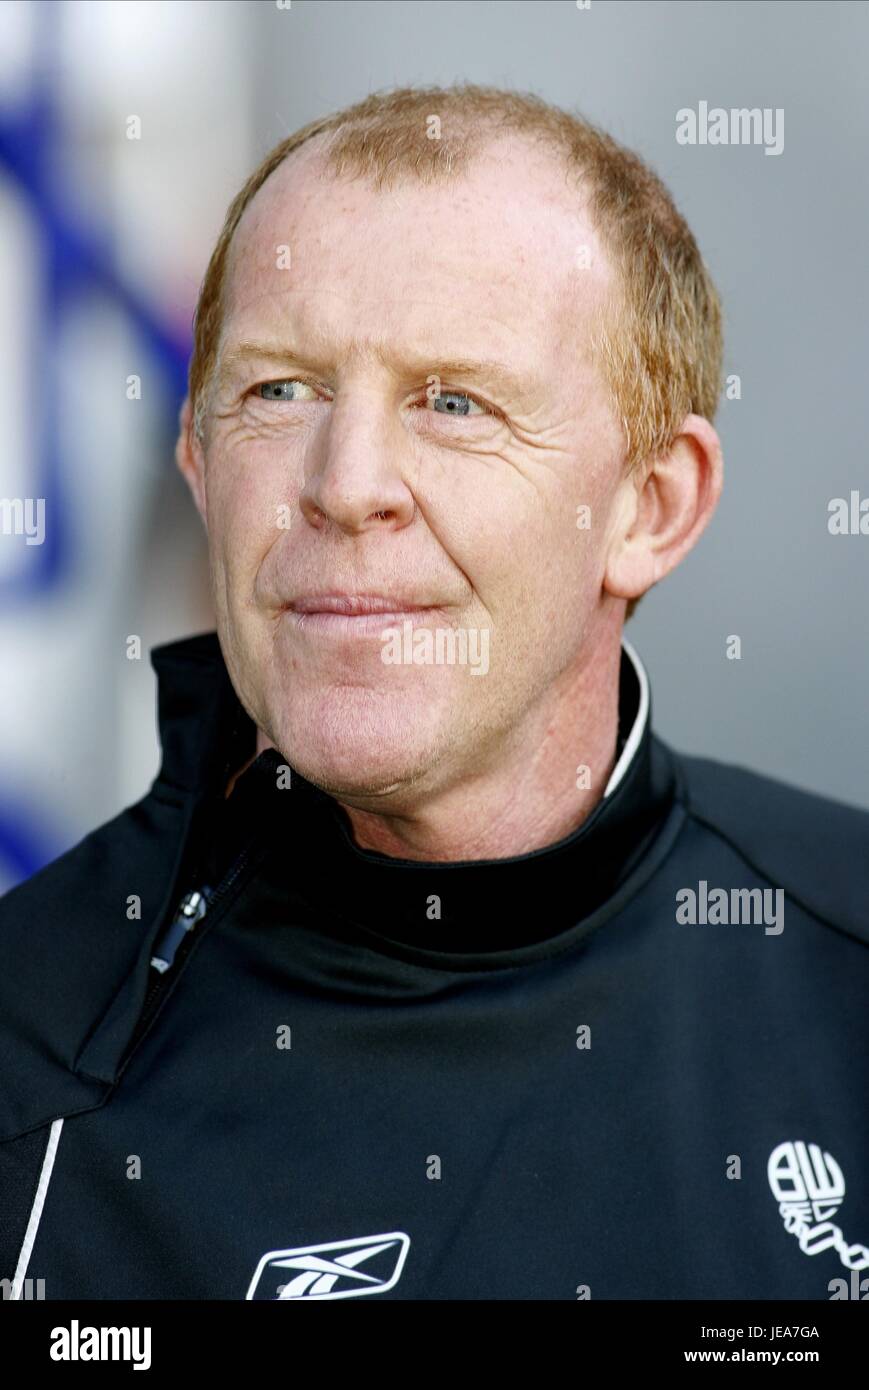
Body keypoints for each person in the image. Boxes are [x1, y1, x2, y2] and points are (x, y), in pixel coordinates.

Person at [2, 84, 867, 1302]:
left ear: (649, 507)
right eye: (277, 392)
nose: (345, 484)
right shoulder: (25, 1042)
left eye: (454, 402)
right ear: (197, 460)